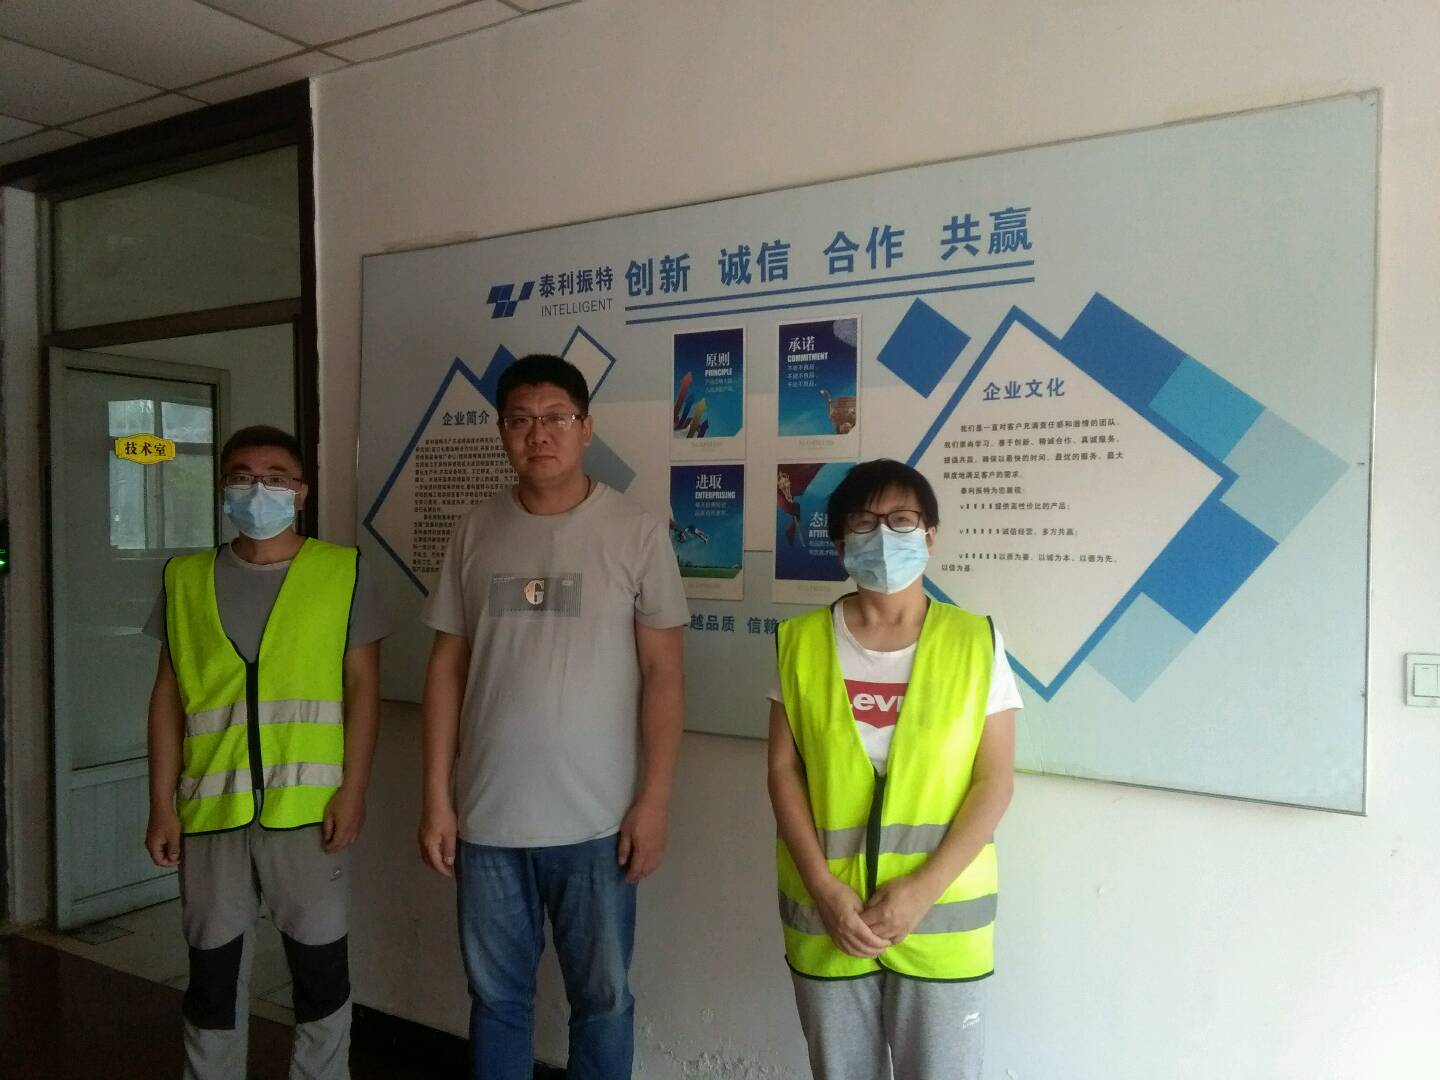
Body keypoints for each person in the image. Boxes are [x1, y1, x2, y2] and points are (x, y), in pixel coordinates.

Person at [417, 354, 688, 1079]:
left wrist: (654, 801)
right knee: (496, 999)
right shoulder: (475, 531)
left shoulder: (635, 531)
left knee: (603, 1001)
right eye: (520, 420)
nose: (539, 434)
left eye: (556, 418)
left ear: (586, 428)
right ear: (502, 432)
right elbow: (445, 669)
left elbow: (664, 674)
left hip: (598, 825)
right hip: (487, 821)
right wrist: (437, 797)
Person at [143, 424, 387, 1080]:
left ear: (301, 492)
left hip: (309, 814)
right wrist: (160, 804)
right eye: (243, 477)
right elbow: (167, 697)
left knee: (320, 977)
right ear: (221, 489)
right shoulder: (185, 578)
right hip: (209, 811)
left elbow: (364, 690)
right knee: (212, 980)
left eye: (276, 478)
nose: (259, 490)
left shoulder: (341, 572)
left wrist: (354, 791)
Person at [766, 459, 1021, 1080]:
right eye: (863, 522)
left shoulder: (976, 642)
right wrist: (825, 891)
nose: (883, 536)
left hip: (942, 921)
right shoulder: (798, 642)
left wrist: (922, 891)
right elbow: (782, 773)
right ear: (840, 545)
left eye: (902, 520)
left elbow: (994, 781)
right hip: (831, 917)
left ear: (930, 536)